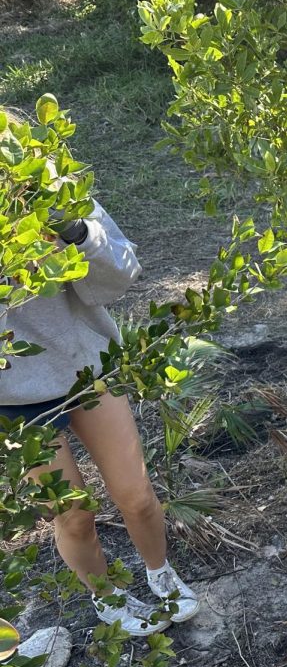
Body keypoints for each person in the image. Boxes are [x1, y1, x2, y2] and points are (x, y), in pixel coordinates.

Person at [0, 203, 199, 636]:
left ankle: (159, 572)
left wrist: (76, 233)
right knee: (74, 515)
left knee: (137, 494)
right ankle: (106, 596)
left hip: (86, 366)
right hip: (10, 395)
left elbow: (123, 273)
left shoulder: (48, 183)